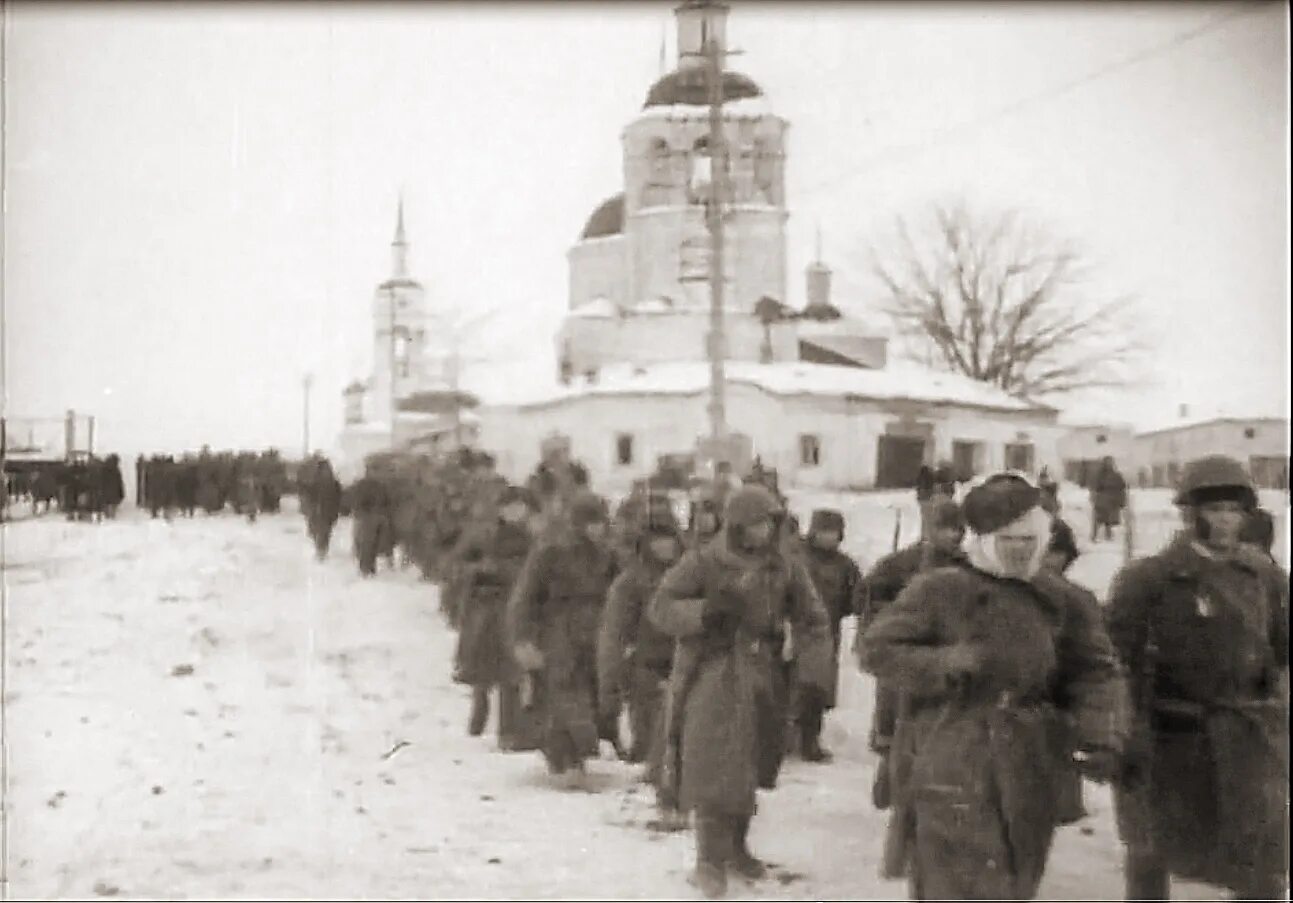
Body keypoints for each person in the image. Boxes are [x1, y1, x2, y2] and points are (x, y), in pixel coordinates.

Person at [859, 473, 1126, 900]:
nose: (1020, 550)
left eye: (1028, 539)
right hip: (951, 752)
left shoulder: (1064, 600)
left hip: (1030, 758)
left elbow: (1095, 670)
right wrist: (944, 663)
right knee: (952, 884)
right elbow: (877, 648)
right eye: (1007, 540)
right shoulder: (941, 589)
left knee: (1015, 877)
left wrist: (1099, 731)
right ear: (982, 540)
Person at [1106, 455, 1288, 901]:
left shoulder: (1263, 573)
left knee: (1261, 859)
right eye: (1214, 509)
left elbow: (1282, 648)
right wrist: (1121, 732)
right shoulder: (1149, 579)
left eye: (1234, 509)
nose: (1227, 521)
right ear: (1189, 513)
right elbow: (1113, 663)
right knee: (1152, 851)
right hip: (1171, 738)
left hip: (1247, 737)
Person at [649, 485, 834, 898]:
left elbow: (813, 618)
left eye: (769, 523)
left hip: (765, 672)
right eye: (753, 524)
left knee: (753, 762)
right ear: (734, 526)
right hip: (714, 669)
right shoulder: (703, 562)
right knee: (716, 764)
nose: (762, 532)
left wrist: (813, 670)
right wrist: (704, 613)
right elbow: (661, 606)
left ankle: (735, 847)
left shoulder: (785, 566)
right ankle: (709, 860)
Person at [856, 498, 967, 811]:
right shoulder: (899, 564)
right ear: (930, 529)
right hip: (903, 654)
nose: (953, 537)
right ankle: (888, 774)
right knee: (893, 716)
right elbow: (869, 600)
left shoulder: (967, 568)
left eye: (958, 530)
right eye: (946, 529)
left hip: (941, 656)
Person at [506, 490, 619, 785]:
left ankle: (577, 758)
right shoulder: (551, 552)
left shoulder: (608, 555)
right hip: (558, 633)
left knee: (588, 697)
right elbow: (525, 598)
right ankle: (562, 760)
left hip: (596, 632)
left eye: (601, 523)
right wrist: (522, 638)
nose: (597, 529)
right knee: (561, 698)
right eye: (591, 523)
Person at [597, 504, 686, 827]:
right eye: (656, 539)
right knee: (653, 736)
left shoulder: (689, 574)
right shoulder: (630, 582)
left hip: (685, 664)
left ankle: (674, 796)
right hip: (646, 670)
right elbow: (614, 632)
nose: (664, 546)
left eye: (669, 539)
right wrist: (612, 676)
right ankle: (665, 795)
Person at [455, 485, 541, 749]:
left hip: (517, 610)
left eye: (520, 506)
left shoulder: (534, 539)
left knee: (511, 673)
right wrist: (482, 570)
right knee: (482, 670)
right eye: (510, 506)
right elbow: (458, 565)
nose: (515, 512)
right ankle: (478, 715)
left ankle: (509, 732)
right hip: (487, 610)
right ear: (501, 509)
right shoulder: (484, 535)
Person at [794, 508, 862, 763]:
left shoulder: (845, 565)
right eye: (824, 531)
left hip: (825, 634)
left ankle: (809, 741)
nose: (828, 537)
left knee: (816, 689)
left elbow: (857, 598)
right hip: (795, 629)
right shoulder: (798, 558)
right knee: (791, 687)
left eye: (833, 532)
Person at [1089, 455, 1128, 543]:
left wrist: (1122, 501)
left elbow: (1122, 488)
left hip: (1111, 501)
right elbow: (1094, 487)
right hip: (1101, 500)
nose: (1109, 464)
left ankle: (1108, 535)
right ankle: (1094, 536)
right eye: (1107, 462)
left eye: (1110, 462)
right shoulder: (1099, 475)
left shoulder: (1116, 475)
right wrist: (1094, 497)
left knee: (1108, 520)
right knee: (1098, 519)